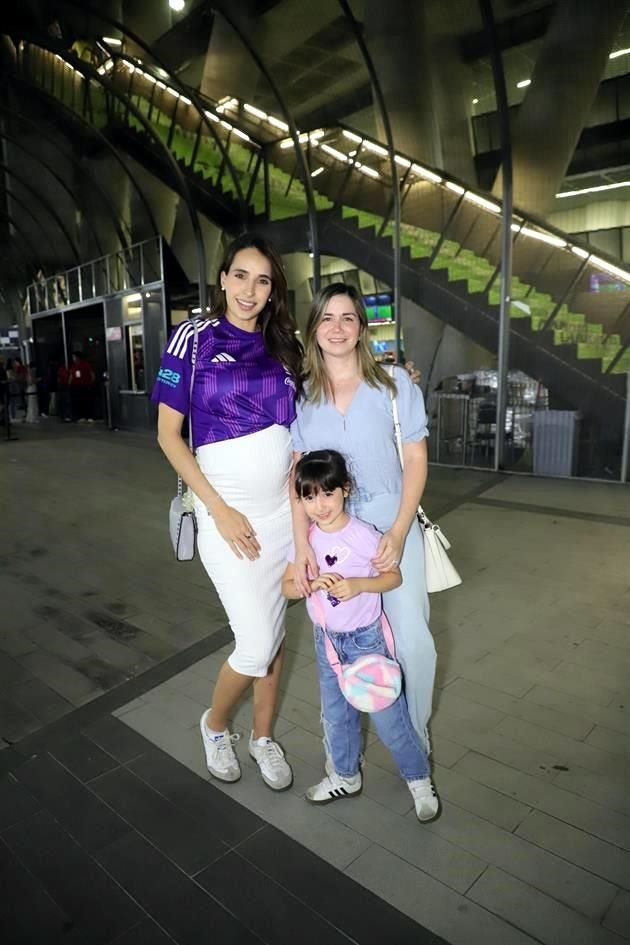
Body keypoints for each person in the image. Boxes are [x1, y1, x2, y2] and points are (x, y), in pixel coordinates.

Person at [152, 233, 302, 791]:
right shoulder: (191, 337)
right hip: (226, 519)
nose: (250, 289)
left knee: (277, 636)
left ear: (272, 290)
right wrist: (218, 508)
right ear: (222, 278)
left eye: (262, 280)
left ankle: (263, 737)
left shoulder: (285, 343)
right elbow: (169, 435)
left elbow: (307, 424)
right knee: (255, 642)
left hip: (284, 518)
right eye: (241, 275)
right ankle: (216, 725)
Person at [290, 283, 437, 755]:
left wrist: (397, 530)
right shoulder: (303, 398)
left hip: (391, 522)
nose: (337, 328)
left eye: (347, 318)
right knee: (342, 637)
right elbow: (297, 478)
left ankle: (416, 733)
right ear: (314, 329)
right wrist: (302, 545)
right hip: (332, 530)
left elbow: (415, 460)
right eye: (326, 318)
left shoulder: (395, 385)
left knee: (411, 636)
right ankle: (343, 751)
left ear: (361, 328)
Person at [282, 450, 439, 820]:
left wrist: (358, 585)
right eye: (309, 497)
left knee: (388, 717)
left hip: (365, 641)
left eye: (327, 494)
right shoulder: (305, 542)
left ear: (346, 490)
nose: (319, 506)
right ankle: (344, 775)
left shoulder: (364, 535)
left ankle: (418, 779)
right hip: (328, 644)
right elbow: (287, 586)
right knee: (336, 716)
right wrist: (308, 584)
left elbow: (393, 577)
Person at [68, 351, 96, 422]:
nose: (73, 359)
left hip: (84, 385)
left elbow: (92, 374)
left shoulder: (85, 365)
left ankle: (88, 416)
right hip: (78, 386)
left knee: (86, 401)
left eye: (74, 357)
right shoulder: (74, 366)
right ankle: (83, 416)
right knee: (80, 402)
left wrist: (90, 383)